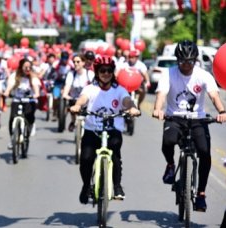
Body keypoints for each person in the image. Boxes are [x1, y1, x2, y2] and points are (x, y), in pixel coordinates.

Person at [152, 40, 226, 212]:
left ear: (195, 60)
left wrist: (222, 111)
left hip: (197, 120)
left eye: (190, 61)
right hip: (175, 117)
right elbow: (161, 94)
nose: (186, 65)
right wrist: (157, 109)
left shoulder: (203, 75)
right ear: (177, 60)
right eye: (183, 61)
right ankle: (170, 165)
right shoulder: (168, 74)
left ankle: (201, 193)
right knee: (168, 141)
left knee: (205, 153)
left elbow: (214, 96)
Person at [69, 56, 140, 204]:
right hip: (92, 130)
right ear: (96, 72)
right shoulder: (90, 88)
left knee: (115, 153)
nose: (106, 73)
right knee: (86, 159)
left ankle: (117, 186)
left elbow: (126, 100)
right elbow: (83, 98)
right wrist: (77, 106)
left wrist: (132, 107)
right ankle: (86, 186)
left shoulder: (119, 90)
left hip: (113, 130)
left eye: (109, 70)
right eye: (102, 70)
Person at [4, 58, 40, 150]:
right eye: (25, 67)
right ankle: (12, 138)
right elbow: (10, 86)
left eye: (29, 67)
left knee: (29, 117)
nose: (27, 69)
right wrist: (7, 92)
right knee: (12, 118)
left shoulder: (33, 77)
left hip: (29, 101)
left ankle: (30, 127)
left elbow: (36, 88)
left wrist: (36, 94)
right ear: (21, 67)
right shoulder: (15, 76)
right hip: (17, 100)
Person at [62, 54, 94, 132]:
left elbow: (94, 88)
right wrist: (65, 94)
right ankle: (73, 121)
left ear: (83, 63)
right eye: (74, 62)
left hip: (86, 101)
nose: (75, 63)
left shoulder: (89, 74)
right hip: (74, 99)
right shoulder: (71, 74)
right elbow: (67, 86)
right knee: (71, 104)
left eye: (78, 62)